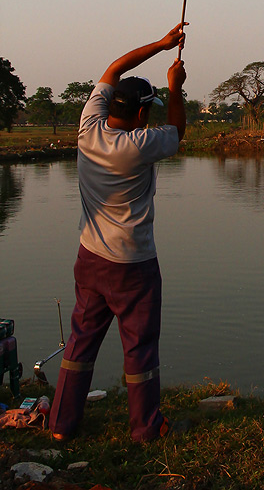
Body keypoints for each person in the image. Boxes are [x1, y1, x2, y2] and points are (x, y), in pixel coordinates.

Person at [49, 23, 187, 443]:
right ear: (143, 113)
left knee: (80, 343)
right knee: (139, 347)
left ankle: (61, 425)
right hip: (133, 266)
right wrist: (176, 85)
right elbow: (178, 132)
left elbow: (114, 67)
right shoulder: (140, 145)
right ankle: (145, 427)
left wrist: (160, 45)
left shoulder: (88, 127)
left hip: (89, 259)